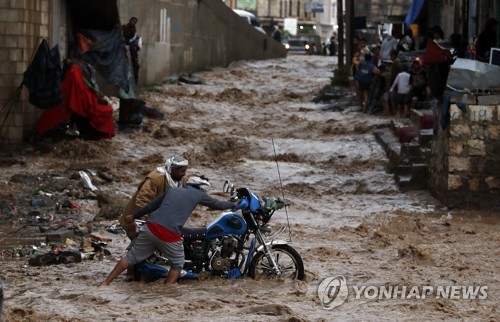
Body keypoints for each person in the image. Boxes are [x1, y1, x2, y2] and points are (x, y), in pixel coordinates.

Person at [101, 176, 239, 285]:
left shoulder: (172, 190)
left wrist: (134, 216)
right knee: (178, 263)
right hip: (168, 232)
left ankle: (106, 282)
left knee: (131, 257)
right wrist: (234, 204)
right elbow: (218, 204)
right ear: (201, 188)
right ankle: (168, 289)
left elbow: (151, 206)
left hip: (150, 227)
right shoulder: (199, 194)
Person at [119, 156, 189, 240]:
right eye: (182, 171)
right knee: (140, 245)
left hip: (159, 219)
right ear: (173, 170)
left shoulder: (182, 180)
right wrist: (145, 219)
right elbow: (142, 200)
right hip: (137, 217)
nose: (184, 174)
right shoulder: (155, 179)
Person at [122, 17, 140, 84]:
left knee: (135, 65)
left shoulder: (133, 29)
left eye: (135, 22)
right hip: (126, 47)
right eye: (133, 21)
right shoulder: (126, 27)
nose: (133, 23)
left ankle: (135, 81)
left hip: (132, 49)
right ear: (130, 20)